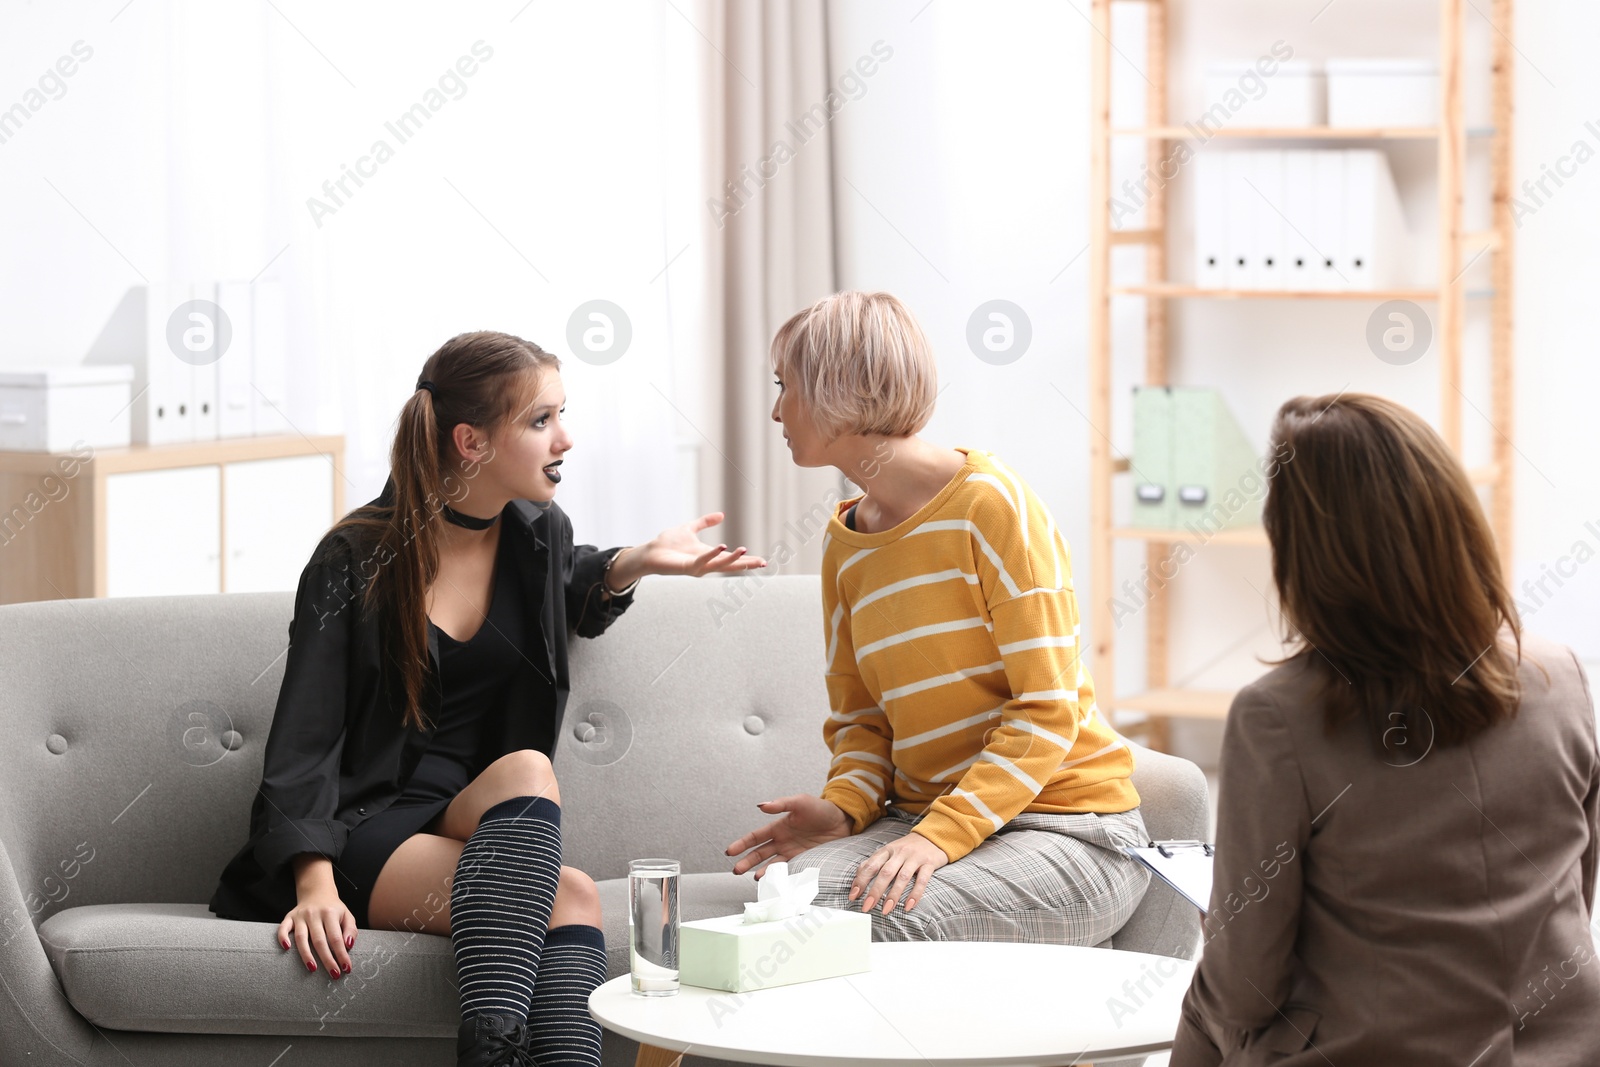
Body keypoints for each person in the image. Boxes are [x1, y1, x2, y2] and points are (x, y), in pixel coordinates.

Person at [210, 331, 766, 1067]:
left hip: (461, 809)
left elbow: (577, 591)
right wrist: (313, 881)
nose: (565, 437)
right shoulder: (355, 556)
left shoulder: (540, 535)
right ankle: (493, 1052)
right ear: (471, 440)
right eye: (541, 421)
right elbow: (305, 734)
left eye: (561, 414)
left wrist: (638, 561)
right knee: (572, 899)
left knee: (530, 770)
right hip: (365, 823)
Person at [1173, 394, 1600, 1065]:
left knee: (1207, 1004)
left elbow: (1245, 990)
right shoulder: (1562, 675)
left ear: (1304, 552)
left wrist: (1223, 929)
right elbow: (1576, 891)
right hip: (1564, 1045)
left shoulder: (1278, 715)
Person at [726, 290, 1150, 946]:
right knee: (784, 903)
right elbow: (862, 722)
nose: (777, 409)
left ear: (840, 387)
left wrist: (936, 837)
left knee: (852, 920)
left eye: (788, 387)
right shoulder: (845, 542)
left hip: (1071, 827)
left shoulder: (992, 506)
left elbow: (1048, 707)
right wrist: (844, 808)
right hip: (932, 819)